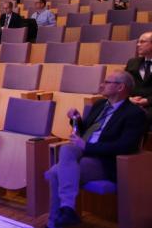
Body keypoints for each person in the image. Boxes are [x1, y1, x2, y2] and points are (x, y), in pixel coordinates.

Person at [44, 71, 146, 228]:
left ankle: (57, 220)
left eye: (107, 82)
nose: (101, 85)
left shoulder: (134, 113)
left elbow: (126, 146)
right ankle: (67, 211)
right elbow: (85, 131)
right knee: (67, 149)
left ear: (120, 87)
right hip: (84, 151)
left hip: (104, 160)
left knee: (55, 173)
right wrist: (76, 119)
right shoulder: (99, 105)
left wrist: (87, 146)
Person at [124, 31, 152, 123]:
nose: (138, 45)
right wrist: (129, 99)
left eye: (142, 42)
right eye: (138, 42)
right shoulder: (132, 62)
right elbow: (124, 84)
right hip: (132, 103)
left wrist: (147, 100)